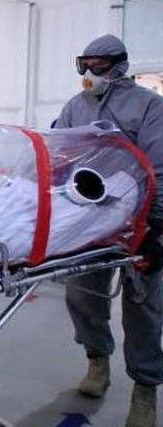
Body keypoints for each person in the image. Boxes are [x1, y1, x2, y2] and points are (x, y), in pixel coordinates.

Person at [55, 34, 163, 427]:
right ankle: (97, 362)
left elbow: (160, 168)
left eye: (96, 65)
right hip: (89, 219)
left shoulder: (149, 107)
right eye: (83, 64)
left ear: (118, 65)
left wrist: (155, 226)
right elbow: (58, 153)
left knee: (142, 307)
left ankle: (145, 389)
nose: (88, 72)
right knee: (83, 296)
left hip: (139, 219)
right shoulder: (75, 106)